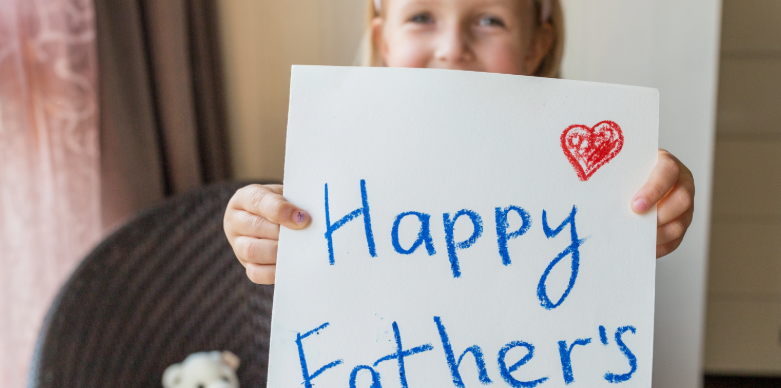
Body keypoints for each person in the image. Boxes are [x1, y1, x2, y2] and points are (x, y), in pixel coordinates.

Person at [224, 0, 695, 284]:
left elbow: (607, 242)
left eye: (489, 20)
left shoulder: (576, 170)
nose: (453, 46)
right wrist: (262, 229)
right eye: (423, 16)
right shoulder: (345, 164)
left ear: (537, 45)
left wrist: (653, 199)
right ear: (383, 40)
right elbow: (308, 258)